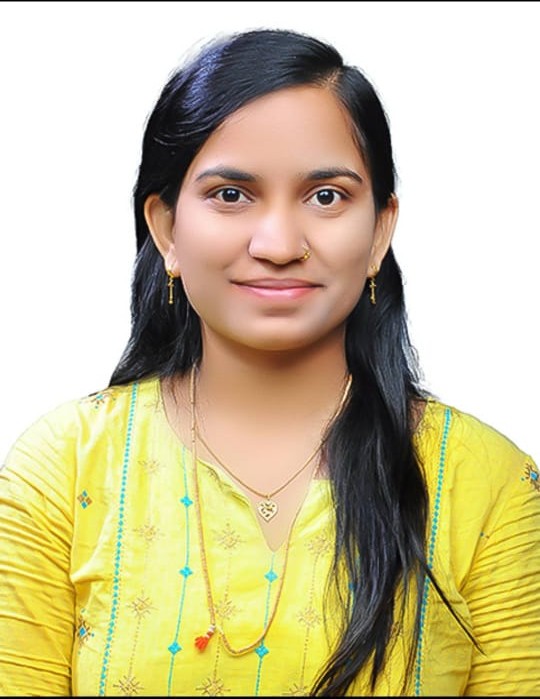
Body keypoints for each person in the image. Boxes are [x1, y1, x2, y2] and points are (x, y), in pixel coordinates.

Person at [1, 27, 539, 698]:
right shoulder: (63, 468)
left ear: (380, 231)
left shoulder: (488, 483)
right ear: (166, 229)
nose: (280, 244)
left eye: (326, 196)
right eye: (231, 194)